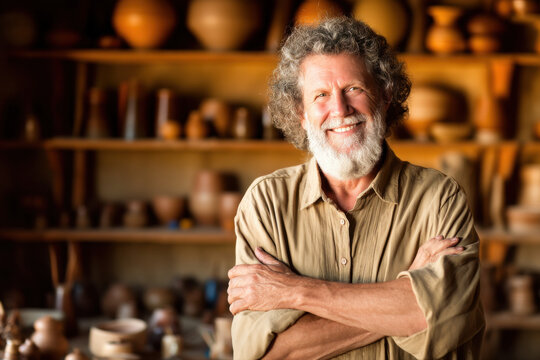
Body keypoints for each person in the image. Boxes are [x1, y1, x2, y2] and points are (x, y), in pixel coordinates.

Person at [227, 17, 484, 360]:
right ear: (301, 113)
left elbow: (442, 322)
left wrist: (294, 291)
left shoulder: (439, 198)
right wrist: (403, 299)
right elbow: (266, 353)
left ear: (385, 95)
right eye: (320, 95)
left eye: (354, 89)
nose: (340, 109)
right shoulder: (266, 204)